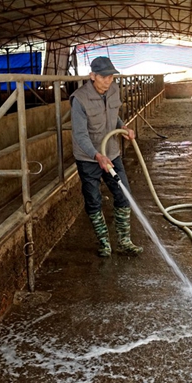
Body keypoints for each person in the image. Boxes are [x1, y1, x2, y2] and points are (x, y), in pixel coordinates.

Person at [70, 56, 143, 257]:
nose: (108, 81)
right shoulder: (79, 99)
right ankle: (104, 243)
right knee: (93, 200)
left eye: (111, 76)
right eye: (103, 77)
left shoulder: (113, 89)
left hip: (112, 153)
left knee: (123, 194)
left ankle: (124, 241)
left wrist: (123, 127)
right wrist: (97, 156)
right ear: (92, 76)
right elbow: (80, 134)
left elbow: (113, 114)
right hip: (88, 158)